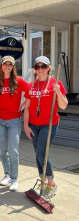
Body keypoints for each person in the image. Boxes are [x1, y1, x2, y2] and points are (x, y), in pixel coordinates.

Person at [24, 56, 68, 198]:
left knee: (41, 154)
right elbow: (27, 107)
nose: (41, 69)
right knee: (38, 154)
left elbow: (63, 105)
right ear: (34, 69)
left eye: (44, 67)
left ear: (49, 68)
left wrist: (58, 92)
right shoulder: (31, 86)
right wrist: (25, 125)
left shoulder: (56, 83)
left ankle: (51, 182)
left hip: (49, 124)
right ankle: (42, 181)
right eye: (38, 67)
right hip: (33, 125)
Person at [0, 56, 28, 191]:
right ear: (1, 66)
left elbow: (31, 92)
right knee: (3, 150)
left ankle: (14, 178)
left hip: (14, 120)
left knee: (13, 150)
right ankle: (7, 174)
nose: (7, 67)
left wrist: (24, 103)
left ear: (13, 67)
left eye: (10, 65)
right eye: (5, 64)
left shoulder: (19, 81)